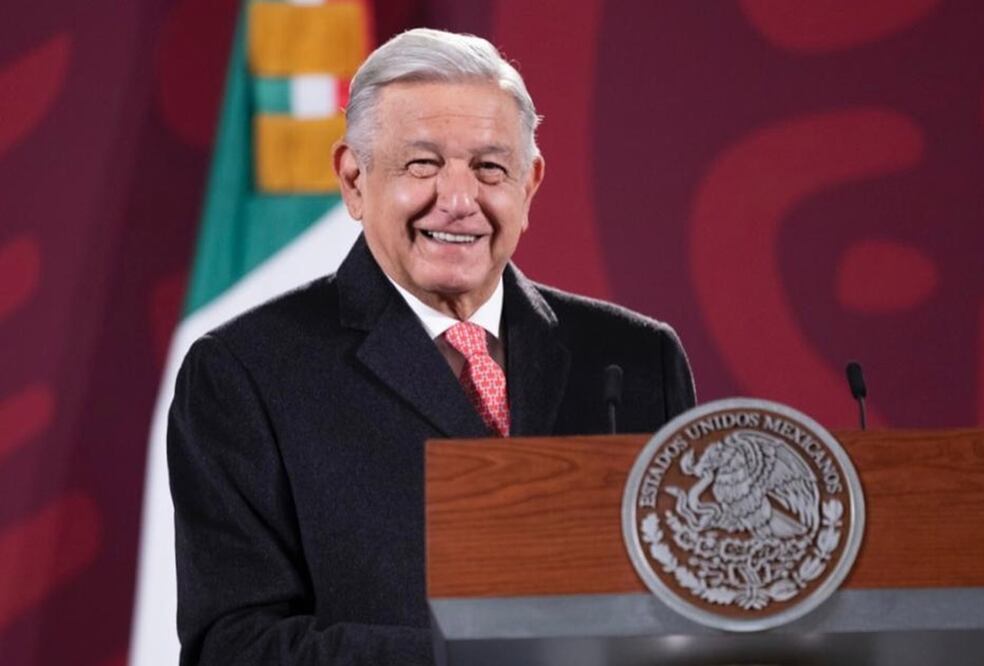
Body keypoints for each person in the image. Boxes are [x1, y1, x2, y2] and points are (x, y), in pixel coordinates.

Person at [168, 28, 695, 665]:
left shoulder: (637, 359)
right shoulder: (245, 373)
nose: (457, 201)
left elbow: (688, 605)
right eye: (421, 165)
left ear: (529, 185)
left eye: (489, 169)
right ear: (354, 180)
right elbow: (233, 647)